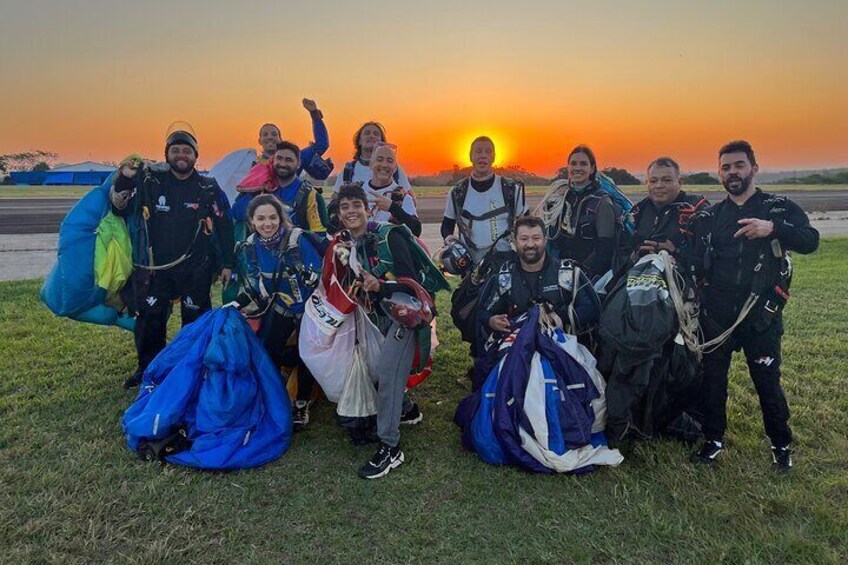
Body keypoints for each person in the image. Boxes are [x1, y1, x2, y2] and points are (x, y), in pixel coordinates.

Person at [689, 140, 819, 472]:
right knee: (712, 381)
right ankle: (713, 440)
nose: (732, 172)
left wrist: (773, 229)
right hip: (718, 316)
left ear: (754, 168)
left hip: (761, 316)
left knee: (767, 382)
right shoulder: (714, 215)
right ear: (719, 172)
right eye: (726, 167)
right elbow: (696, 259)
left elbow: (811, 240)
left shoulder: (778, 208)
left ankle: (781, 444)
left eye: (739, 165)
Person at [333, 183, 446, 479]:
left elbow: (410, 283)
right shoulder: (347, 245)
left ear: (366, 208)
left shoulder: (387, 235)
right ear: (339, 214)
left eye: (356, 205)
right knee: (372, 364)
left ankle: (390, 446)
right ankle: (408, 409)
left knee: (387, 374)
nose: (350, 211)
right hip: (379, 316)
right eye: (344, 207)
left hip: (406, 315)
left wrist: (381, 286)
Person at [111, 129, 235, 388]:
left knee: (195, 322)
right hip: (156, 269)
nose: (181, 155)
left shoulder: (208, 187)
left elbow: (225, 224)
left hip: (196, 267)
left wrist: (226, 263)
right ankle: (147, 369)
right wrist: (125, 177)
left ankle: (194, 368)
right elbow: (118, 207)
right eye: (176, 150)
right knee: (150, 320)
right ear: (166, 154)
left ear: (195, 156)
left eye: (187, 150)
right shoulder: (150, 182)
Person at [235, 194, 324, 430]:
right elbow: (255, 284)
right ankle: (271, 395)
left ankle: (301, 402)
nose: (268, 223)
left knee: (307, 354)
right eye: (261, 218)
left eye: (273, 217)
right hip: (281, 306)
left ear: (281, 217)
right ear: (252, 221)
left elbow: (320, 275)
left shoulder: (298, 240)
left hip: (309, 308)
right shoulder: (251, 246)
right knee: (267, 350)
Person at [480, 215, 600, 349]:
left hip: (563, 351)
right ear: (514, 242)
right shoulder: (505, 277)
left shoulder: (568, 273)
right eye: (524, 239)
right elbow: (484, 311)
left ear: (545, 240)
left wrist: (561, 317)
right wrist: (491, 321)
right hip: (517, 352)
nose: (530, 244)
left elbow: (592, 309)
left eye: (536, 238)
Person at [441, 136, 527, 264]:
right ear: (471, 157)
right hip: (470, 266)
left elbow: (526, 225)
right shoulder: (457, 192)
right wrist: (449, 238)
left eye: (488, 151)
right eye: (478, 151)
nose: (483, 156)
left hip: (505, 263)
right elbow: (447, 225)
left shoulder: (511, 190)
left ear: (493, 157)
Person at [541, 145, 618, 279]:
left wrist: (582, 274)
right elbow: (553, 239)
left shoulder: (602, 202)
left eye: (583, 164)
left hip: (589, 277)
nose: (577, 168)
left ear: (592, 168)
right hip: (559, 271)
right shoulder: (561, 198)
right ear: (568, 167)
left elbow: (605, 249)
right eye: (573, 164)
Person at [232, 141, 327, 236]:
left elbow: (319, 236)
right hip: (261, 247)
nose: (283, 164)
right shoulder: (262, 188)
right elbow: (238, 214)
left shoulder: (310, 195)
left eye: (288, 160)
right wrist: (256, 187)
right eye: (279, 158)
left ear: (298, 164)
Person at [631, 157, 709, 259]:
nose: (659, 186)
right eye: (653, 181)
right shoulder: (639, 210)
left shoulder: (696, 208)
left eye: (666, 180)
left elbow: (709, 256)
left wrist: (675, 252)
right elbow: (622, 252)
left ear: (680, 182)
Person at [332, 121, 413, 192]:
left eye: (376, 134)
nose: (371, 136)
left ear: (382, 142)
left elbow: (411, 201)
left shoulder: (394, 170)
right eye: (367, 133)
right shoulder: (348, 170)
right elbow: (334, 201)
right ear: (359, 141)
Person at [360, 143, 421, 236]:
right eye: (379, 160)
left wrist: (392, 208)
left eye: (390, 161)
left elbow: (416, 230)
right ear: (371, 164)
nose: (384, 165)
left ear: (395, 167)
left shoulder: (402, 197)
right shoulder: (357, 192)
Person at [256, 98, 329, 169]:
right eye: (265, 134)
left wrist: (315, 114)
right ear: (259, 141)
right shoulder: (252, 164)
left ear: (280, 140)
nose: (270, 137)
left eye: (274, 134)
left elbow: (321, 145)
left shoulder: (295, 158)